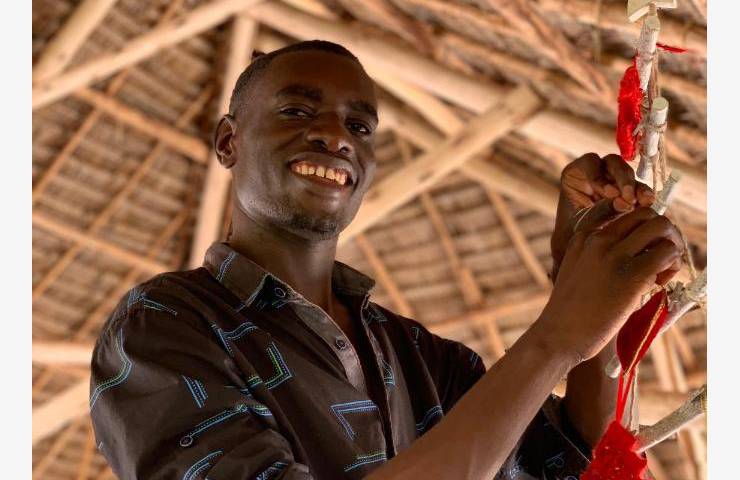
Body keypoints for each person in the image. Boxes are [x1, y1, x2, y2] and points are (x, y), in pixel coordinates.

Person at [90, 41, 683, 480]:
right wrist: (553, 339)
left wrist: (581, 259)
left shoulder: (424, 358)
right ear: (228, 141)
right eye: (297, 112)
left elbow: (570, 458)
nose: (335, 136)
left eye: (360, 125)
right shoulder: (162, 326)